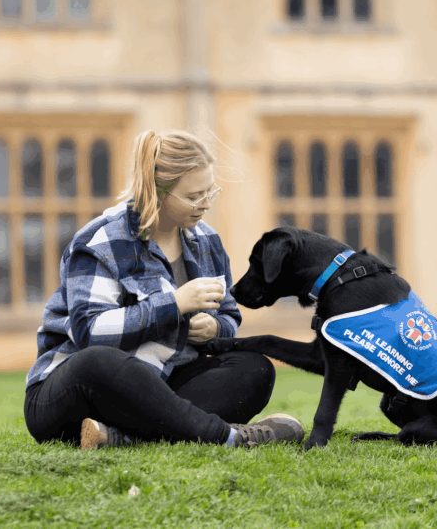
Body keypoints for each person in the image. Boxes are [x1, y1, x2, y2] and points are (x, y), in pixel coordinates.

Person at [23, 129, 302, 449]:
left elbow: (228, 314)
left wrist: (215, 328)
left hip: (163, 379)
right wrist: (175, 303)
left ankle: (122, 437)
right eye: (194, 196)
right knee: (100, 361)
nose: (205, 204)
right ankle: (229, 437)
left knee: (254, 367)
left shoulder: (207, 242)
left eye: (210, 192)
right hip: (74, 394)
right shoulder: (102, 240)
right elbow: (90, 332)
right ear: (159, 192)